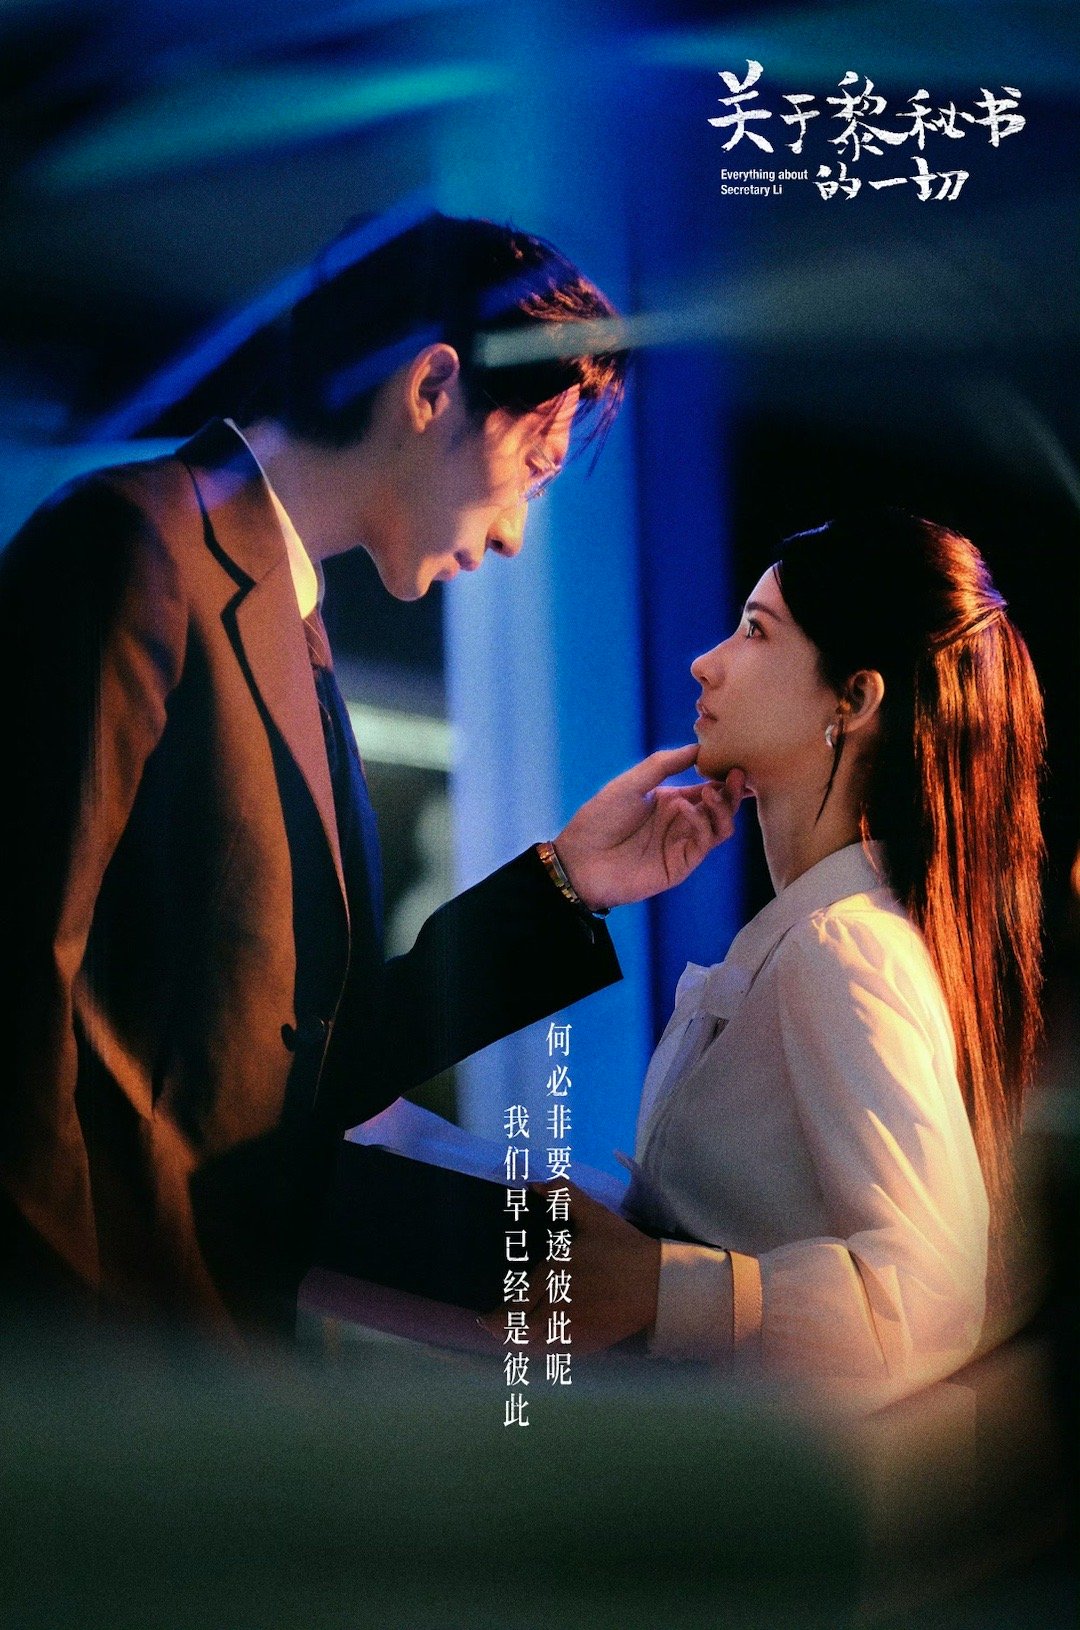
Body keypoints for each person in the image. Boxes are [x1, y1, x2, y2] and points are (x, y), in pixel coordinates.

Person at [0, 211, 742, 1345]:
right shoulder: (134, 545)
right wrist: (80, 1370)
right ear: (433, 388)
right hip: (103, 1362)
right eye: (536, 468)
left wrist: (565, 884)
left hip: (209, 1345)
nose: (515, 535)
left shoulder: (287, 620)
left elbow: (306, 1064)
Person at [545, 511, 1045, 1399]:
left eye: (754, 631)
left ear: (853, 700)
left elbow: (932, 1296)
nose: (706, 663)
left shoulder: (843, 948)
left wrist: (663, 1290)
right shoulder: (820, 936)